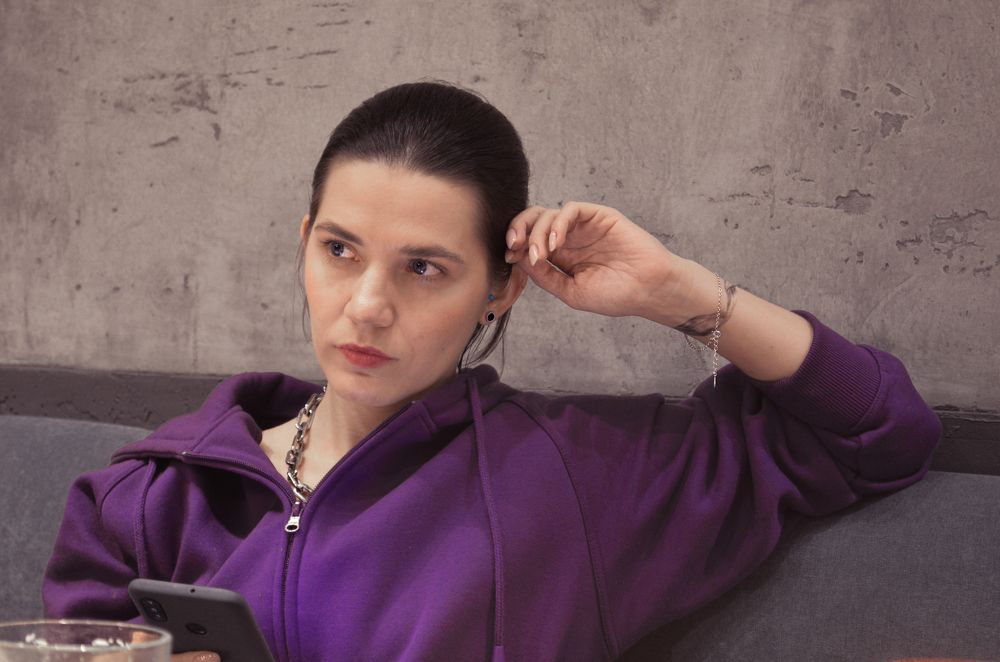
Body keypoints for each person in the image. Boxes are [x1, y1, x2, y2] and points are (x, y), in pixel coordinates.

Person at [43, 81, 941, 662]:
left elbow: (877, 434)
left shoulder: (576, 478)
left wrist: (681, 292)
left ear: (500, 289)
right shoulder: (150, 499)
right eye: (340, 250)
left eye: (423, 267)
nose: (368, 305)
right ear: (304, 245)